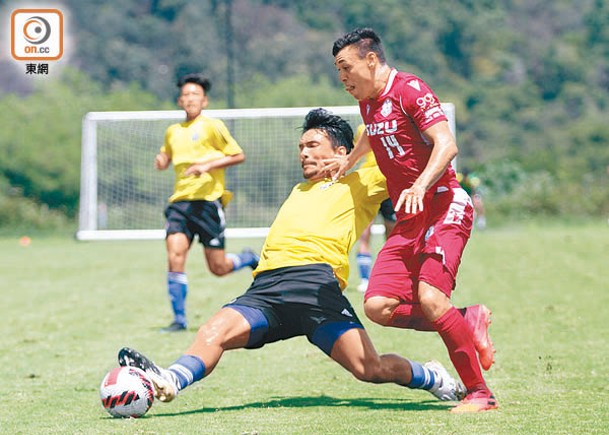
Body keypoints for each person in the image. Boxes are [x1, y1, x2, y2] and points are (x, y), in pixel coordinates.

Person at [118, 108, 465, 407]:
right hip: (266, 289)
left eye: (312, 145)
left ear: (340, 150)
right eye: (301, 146)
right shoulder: (298, 189)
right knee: (213, 331)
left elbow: (389, 137)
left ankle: (431, 376)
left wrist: (357, 155)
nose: (303, 152)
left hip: (316, 289)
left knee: (369, 369)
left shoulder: (361, 182)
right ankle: (170, 381)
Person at [331, 28, 497, 413]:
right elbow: (372, 134)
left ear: (370, 59)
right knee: (378, 306)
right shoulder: (367, 101)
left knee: (431, 298)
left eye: (345, 67)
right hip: (410, 220)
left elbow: (446, 143)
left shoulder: (410, 89)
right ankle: (466, 319)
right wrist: (350, 159)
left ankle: (480, 393)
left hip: (444, 205)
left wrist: (421, 185)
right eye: (337, 70)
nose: (342, 78)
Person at [155, 73, 259, 333]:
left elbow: (238, 154)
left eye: (196, 95)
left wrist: (207, 165)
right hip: (180, 203)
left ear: (205, 101)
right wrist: (161, 160)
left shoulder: (213, 126)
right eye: (186, 95)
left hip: (208, 203)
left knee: (218, 268)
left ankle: (246, 258)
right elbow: (166, 157)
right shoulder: (173, 131)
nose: (191, 99)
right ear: (180, 101)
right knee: (175, 256)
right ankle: (179, 319)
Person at [354, 124, 397, 293]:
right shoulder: (362, 128)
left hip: (389, 183)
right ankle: (365, 280)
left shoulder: (391, 125)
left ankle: (390, 276)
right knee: (364, 234)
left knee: (392, 236)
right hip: (367, 183)